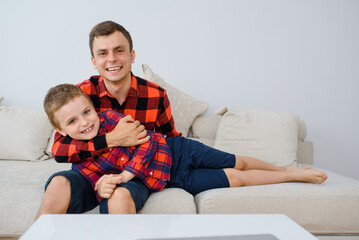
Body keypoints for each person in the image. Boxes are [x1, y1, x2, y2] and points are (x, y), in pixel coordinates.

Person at [43, 83, 328, 213]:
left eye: (87, 112)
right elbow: (92, 180)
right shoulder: (73, 153)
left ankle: (285, 169)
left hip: (176, 151)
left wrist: (124, 176)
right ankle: (290, 175)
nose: (84, 122)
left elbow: (144, 145)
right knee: (236, 178)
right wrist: (103, 187)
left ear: (94, 107)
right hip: (167, 177)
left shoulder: (110, 118)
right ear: (60, 129)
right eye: (72, 120)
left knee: (237, 162)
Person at [36, 20, 181, 218]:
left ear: (132, 55)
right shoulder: (81, 95)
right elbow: (60, 151)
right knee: (58, 184)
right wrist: (112, 139)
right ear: (94, 61)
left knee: (119, 196)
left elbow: (171, 141)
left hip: (131, 175)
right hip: (88, 174)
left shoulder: (156, 95)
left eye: (119, 50)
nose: (111, 59)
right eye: (103, 53)